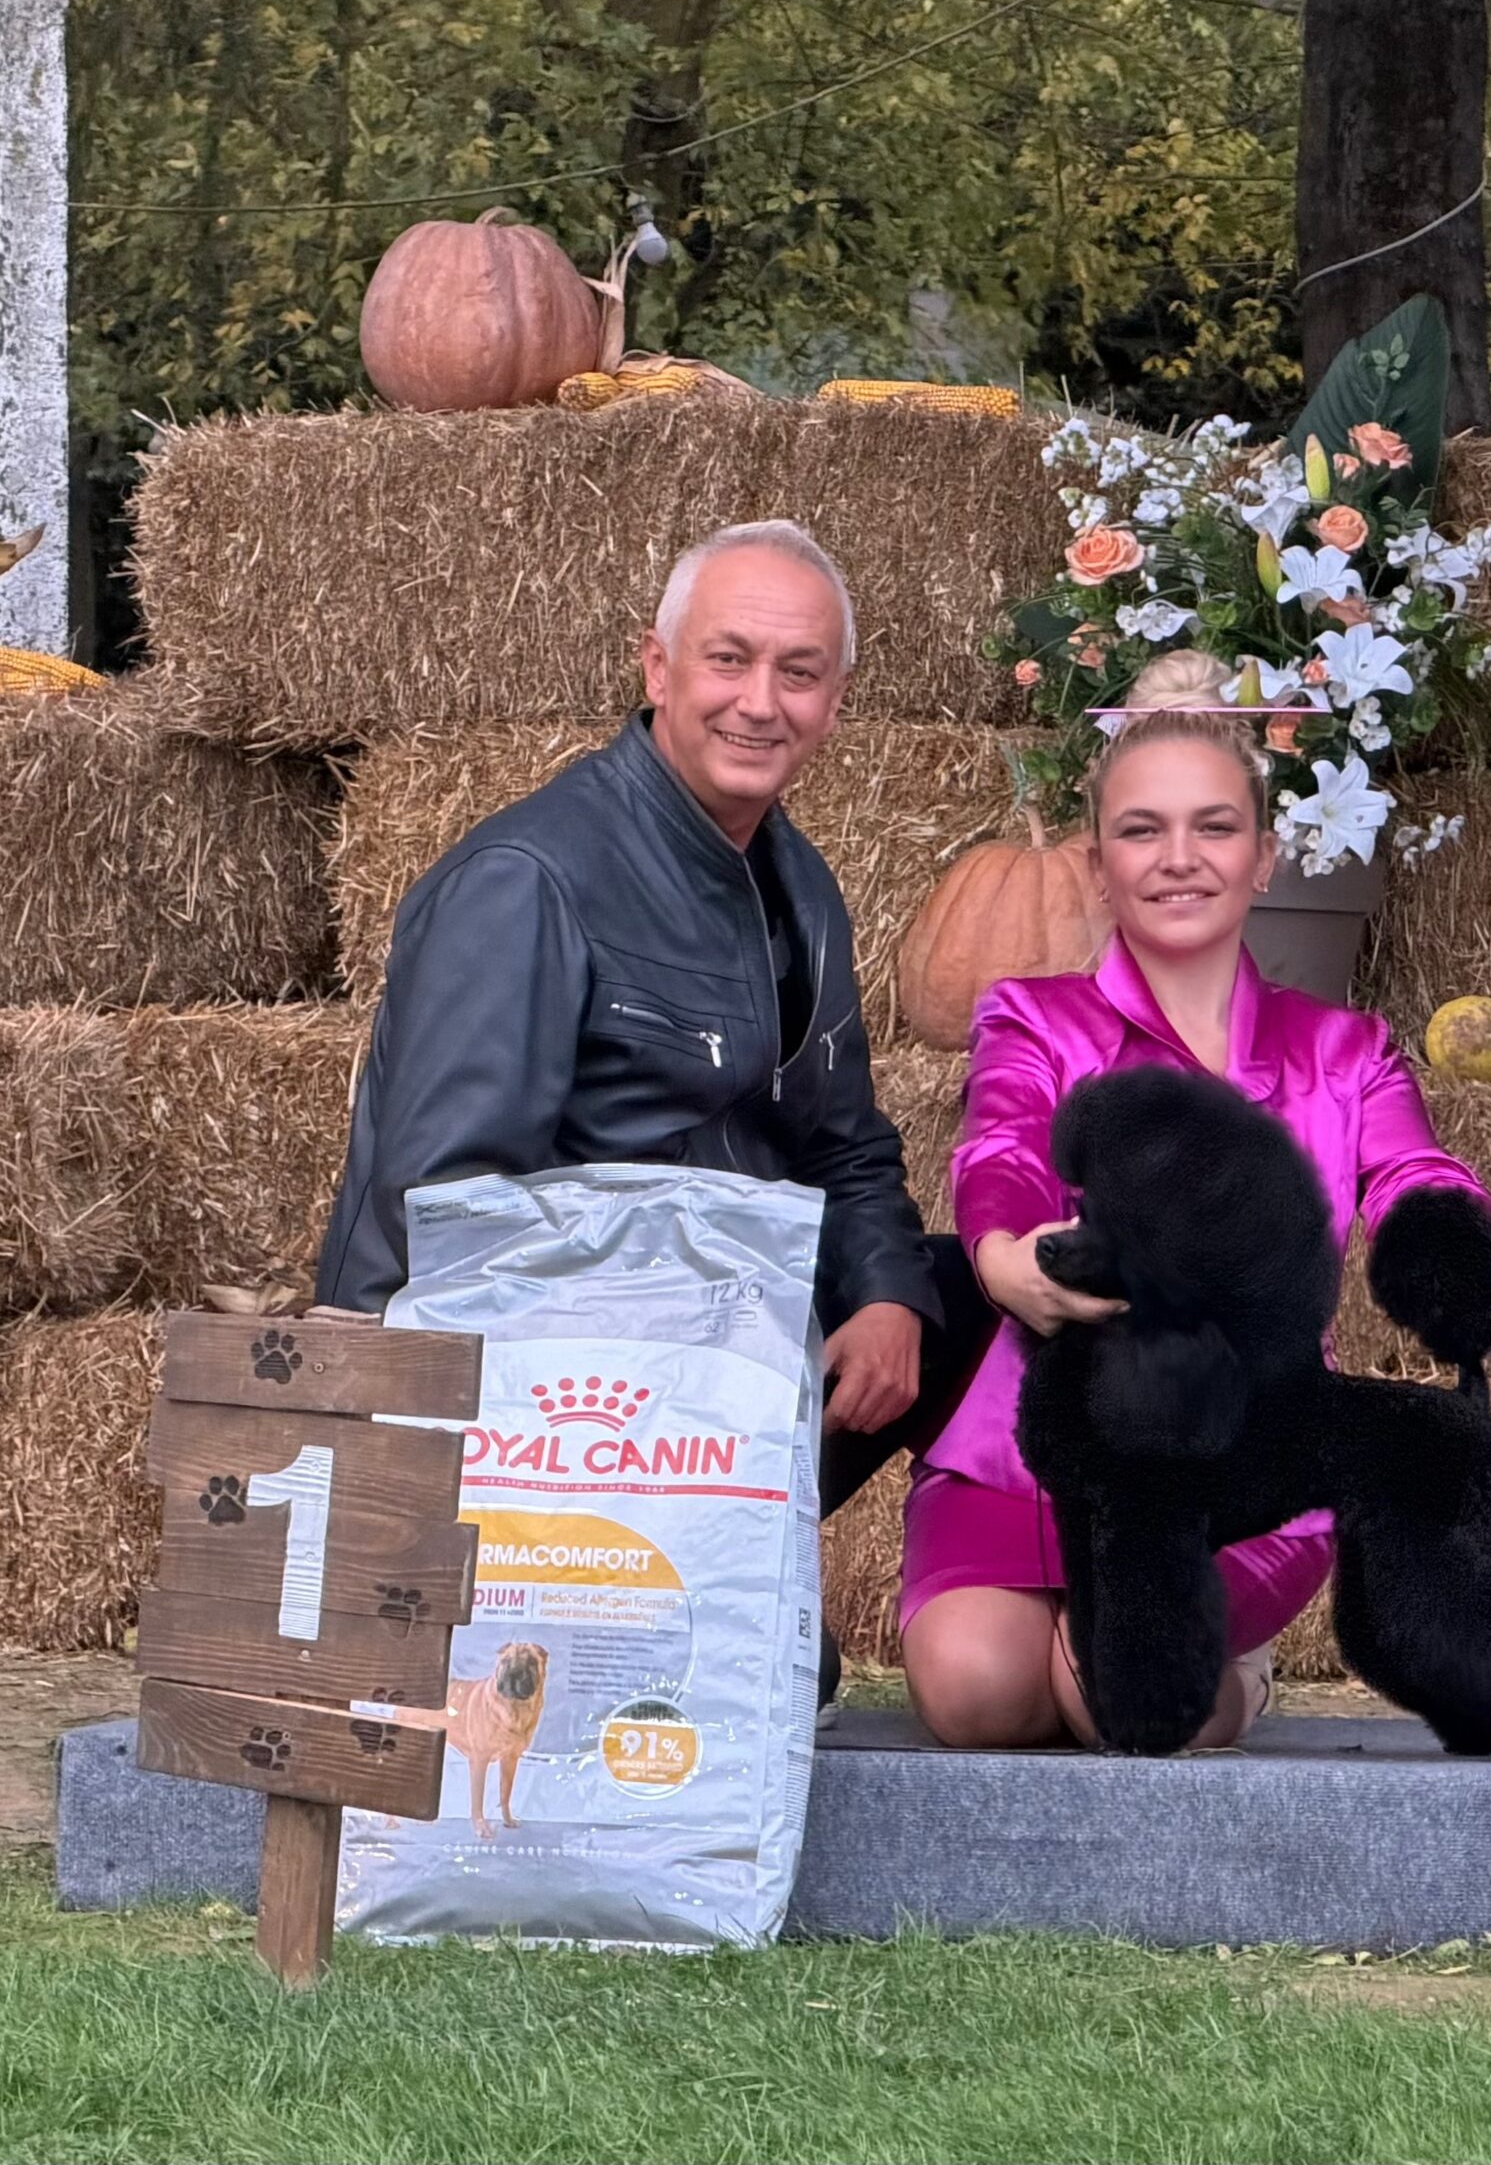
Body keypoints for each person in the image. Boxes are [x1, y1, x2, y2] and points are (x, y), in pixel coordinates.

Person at [317, 522, 996, 1667]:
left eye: (799, 672)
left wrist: (886, 1297)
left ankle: (998, 1633)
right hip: (545, 1402)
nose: (760, 702)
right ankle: (645, 1585)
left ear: (835, 702)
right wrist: (682, 1327)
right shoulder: (528, 883)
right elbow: (445, 1219)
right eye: (729, 659)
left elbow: (845, 1142)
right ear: (658, 668)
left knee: (968, 1299)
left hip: (708, 1365)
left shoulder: (798, 884)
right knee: (764, 1688)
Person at [898, 653, 1491, 1753]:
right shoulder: (1030, 1015)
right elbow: (999, 1144)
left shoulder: (1346, 1049)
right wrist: (1003, 1254)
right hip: (1029, 1447)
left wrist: (1470, 1255)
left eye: (1214, 827)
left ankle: (1237, 1671)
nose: (1179, 859)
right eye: (1141, 830)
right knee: (977, 1693)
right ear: (1096, 862)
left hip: (1243, 1450)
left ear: (1264, 854)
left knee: (1118, 1704)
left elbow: (1413, 1172)